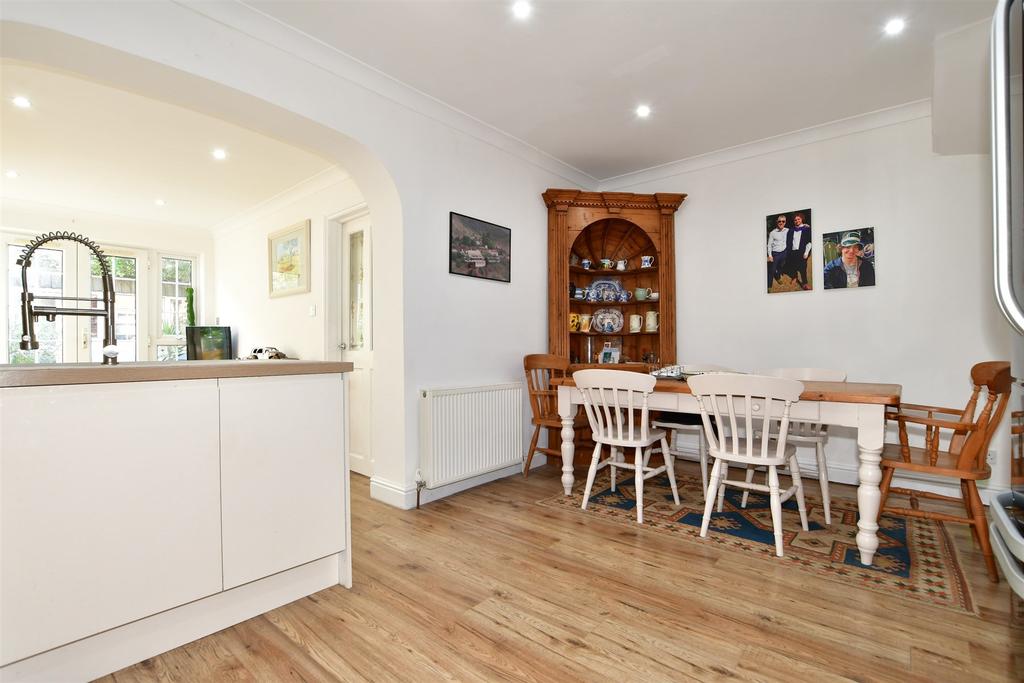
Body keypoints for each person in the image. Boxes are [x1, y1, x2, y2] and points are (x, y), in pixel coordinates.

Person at [786, 213, 812, 290]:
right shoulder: (791, 230)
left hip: (802, 251)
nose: (797, 221)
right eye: (795, 220)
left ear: (801, 219)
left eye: (798, 219)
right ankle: (794, 277)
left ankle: (805, 283)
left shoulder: (806, 229)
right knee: (793, 266)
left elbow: (809, 241)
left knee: (803, 267)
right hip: (793, 251)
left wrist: (806, 252)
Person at [766, 215, 789, 290]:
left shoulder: (788, 230)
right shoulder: (773, 233)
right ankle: (769, 286)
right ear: (777, 222)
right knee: (771, 270)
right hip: (775, 254)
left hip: (784, 253)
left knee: (780, 267)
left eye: (783, 221)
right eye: (779, 221)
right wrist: (770, 255)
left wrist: (805, 226)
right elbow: (769, 245)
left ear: (785, 222)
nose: (781, 223)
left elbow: (797, 230)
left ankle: (778, 277)